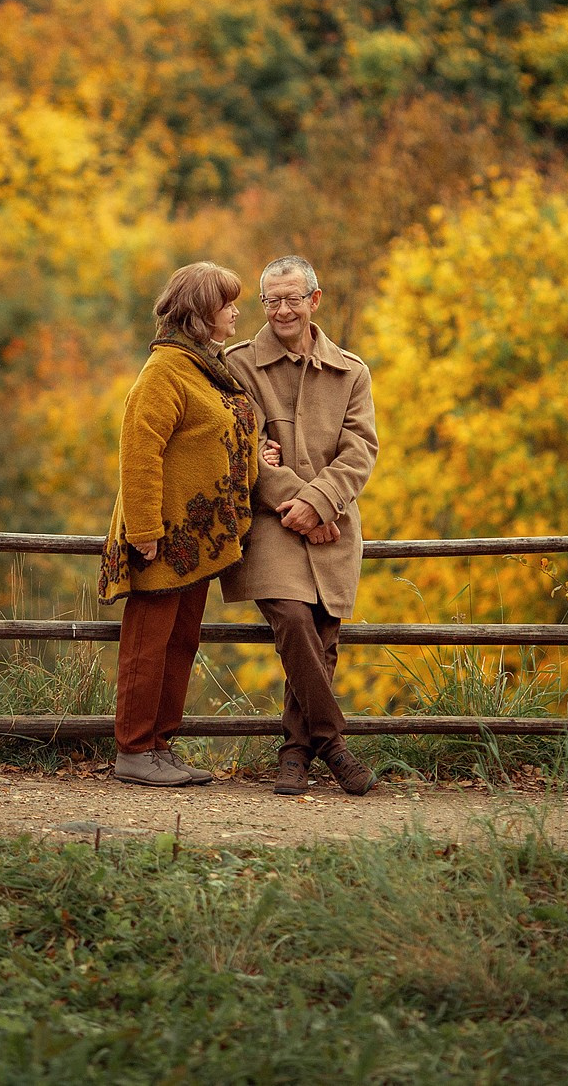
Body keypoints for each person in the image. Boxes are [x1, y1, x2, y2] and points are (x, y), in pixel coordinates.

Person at [221, 254, 381, 796]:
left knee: (321, 639)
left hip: (334, 524)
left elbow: (361, 450)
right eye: (271, 300)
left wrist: (321, 504)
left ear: (314, 300)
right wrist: (298, 506)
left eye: (292, 298)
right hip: (270, 522)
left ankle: (294, 753)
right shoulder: (238, 364)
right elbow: (241, 453)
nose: (281, 309)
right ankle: (334, 743)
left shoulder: (351, 371)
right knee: (291, 618)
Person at [97, 261, 260, 787]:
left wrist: (257, 453)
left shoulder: (202, 367)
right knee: (147, 646)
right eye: (227, 303)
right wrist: (143, 531)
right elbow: (139, 452)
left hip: (196, 541)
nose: (236, 311)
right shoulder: (164, 371)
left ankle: (160, 745)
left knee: (180, 643)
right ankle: (134, 749)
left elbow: (217, 432)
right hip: (162, 538)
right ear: (200, 313)